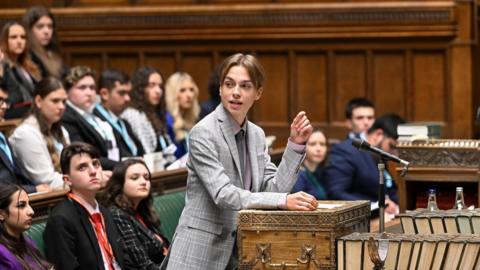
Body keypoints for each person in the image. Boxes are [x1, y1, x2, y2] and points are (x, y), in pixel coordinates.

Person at [161, 53, 317, 270]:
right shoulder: (203, 132)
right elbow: (223, 194)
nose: (235, 92)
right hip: (198, 253)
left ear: (258, 93)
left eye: (245, 86)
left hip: (239, 252)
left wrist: (295, 145)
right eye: (229, 84)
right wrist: (282, 200)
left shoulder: (257, 135)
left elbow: (273, 188)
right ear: (220, 89)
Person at [43, 142, 124, 270]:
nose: (93, 171)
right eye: (82, 167)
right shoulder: (61, 220)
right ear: (67, 180)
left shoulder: (105, 212)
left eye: (96, 164)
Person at [324, 114, 405, 215]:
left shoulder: (379, 154)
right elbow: (336, 193)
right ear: (378, 135)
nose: (395, 154)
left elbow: (389, 189)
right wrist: (376, 205)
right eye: (392, 146)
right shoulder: (345, 151)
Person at [103, 159, 169, 269]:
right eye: (135, 178)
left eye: (146, 178)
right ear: (120, 183)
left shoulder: (142, 211)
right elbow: (142, 265)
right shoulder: (117, 215)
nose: (143, 182)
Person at [10, 76, 69, 190]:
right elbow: (47, 181)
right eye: (55, 101)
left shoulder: (61, 131)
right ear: (38, 101)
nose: (61, 106)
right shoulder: (25, 134)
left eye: (64, 101)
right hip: (44, 202)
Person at [61, 66, 119, 170]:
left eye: (92, 88)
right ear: (67, 91)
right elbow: (85, 155)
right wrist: (121, 166)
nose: (89, 93)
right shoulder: (66, 117)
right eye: (82, 88)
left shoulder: (93, 113)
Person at [121, 66, 177, 165]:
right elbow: (147, 155)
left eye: (160, 86)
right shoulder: (133, 114)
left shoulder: (156, 113)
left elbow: (168, 150)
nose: (158, 91)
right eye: (152, 85)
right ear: (140, 88)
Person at [0, 80, 48, 193]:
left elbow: (16, 177)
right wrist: (34, 189)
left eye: (6, 101)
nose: (5, 106)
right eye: (0, 101)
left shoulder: (2, 136)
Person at [0, 183, 53, 269]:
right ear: (1, 214)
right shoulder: (1, 254)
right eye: (21, 205)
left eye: (29, 204)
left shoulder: (27, 241)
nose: (31, 211)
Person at [94, 68, 144, 159]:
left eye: (128, 93)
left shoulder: (124, 123)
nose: (127, 98)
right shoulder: (95, 121)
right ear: (104, 94)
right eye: (122, 93)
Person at [1, 21, 41, 119]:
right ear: (4, 41)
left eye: (23, 37)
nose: (19, 41)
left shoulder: (29, 66)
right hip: (14, 114)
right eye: (14, 37)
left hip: (32, 111)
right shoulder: (2, 66)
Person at [22, 5, 66, 79]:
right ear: (29, 29)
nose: (46, 31)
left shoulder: (53, 52)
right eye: (40, 26)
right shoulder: (26, 55)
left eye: (50, 26)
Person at [164, 72, 200, 157]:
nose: (189, 95)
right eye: (182, 90)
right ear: (172, 94)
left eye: (191, 89)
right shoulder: (167, 121)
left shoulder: (192, 119)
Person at [291, 129, 328, 200]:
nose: (319, 149)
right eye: (313, 144)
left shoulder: (323, 171)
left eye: (322, 144)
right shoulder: (298, 175)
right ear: (303, 147)